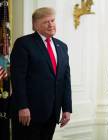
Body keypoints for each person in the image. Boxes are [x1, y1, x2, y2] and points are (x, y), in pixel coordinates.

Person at [10, 7, 72, 140]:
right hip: (28, 114)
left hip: (52, 114)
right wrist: (23, 106)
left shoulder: (62, 46)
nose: (51, 24)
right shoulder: (23, 44)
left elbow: (65, 80)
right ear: (35, 25)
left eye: (53, 20)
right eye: (46, 22)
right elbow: (18, 78)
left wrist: (67, 108)